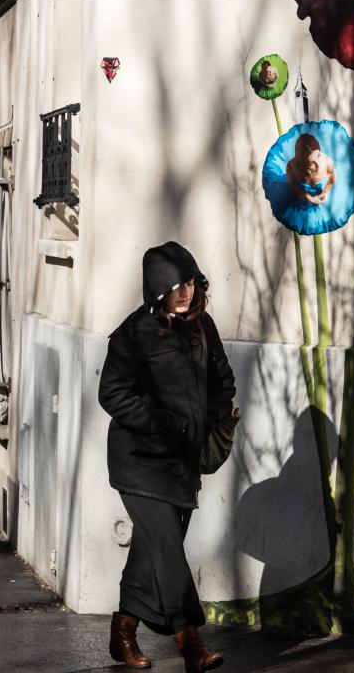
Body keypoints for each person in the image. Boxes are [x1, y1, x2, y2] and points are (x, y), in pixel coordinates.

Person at [99, 241, 236, 671]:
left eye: (192, 282)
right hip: (139, 460)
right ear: (158, 287)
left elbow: (222, 380)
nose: (186, 292)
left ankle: (122, 635)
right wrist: (168, 423)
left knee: (153, 551)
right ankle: (191, 645)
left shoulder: (202, 328)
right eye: (177, 284)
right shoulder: (133, 334)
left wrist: (208, 419)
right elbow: (113, 394)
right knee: (169, 554)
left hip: (181, 463)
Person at [286, 133, 336, 205]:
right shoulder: (291, 167)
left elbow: (333, 177)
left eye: (314, 162)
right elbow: (293, 185)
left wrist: (325, 192)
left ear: (319, 154)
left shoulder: (327, 162)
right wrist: (307, 197)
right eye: (307, 163)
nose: (312, 167)